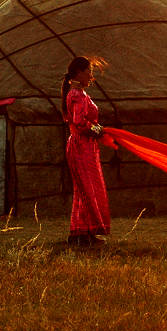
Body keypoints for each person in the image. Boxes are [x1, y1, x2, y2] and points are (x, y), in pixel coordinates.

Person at [61, 56, 110, 246]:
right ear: (79, 73)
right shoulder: (76, 95)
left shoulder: (80, 94)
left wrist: (98, 130)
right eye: (89, 71)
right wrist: (99, 130)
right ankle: (82, 233)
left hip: (87, 147)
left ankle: (84, 232)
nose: (91, 76)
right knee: (86, 189)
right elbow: (80, 123)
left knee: (88, 189)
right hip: (81, 146)